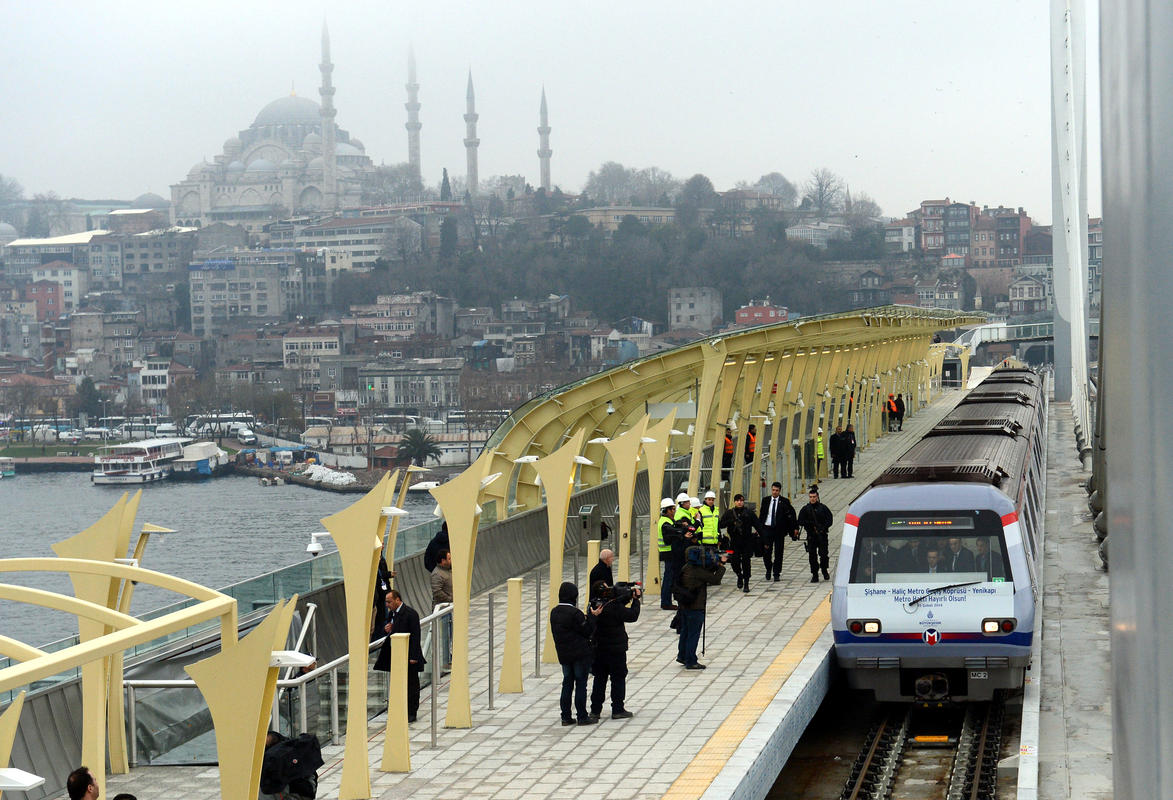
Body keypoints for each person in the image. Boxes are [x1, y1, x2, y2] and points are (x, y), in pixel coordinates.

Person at [550, 581, 603, 725]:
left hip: (564, 654)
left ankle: (565, 716)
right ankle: (582, 716)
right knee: (580, 683)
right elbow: (587, 631)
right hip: (580, 654)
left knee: (567, 683)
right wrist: (593, 616)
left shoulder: (554, 612)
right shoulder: (575, 613)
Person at [588, 579, 641, 720]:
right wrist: (636, 600)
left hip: (599, 649)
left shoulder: (593, 606)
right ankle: (617, 708)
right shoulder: (615, 607)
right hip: (616, 650)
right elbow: (632, 616)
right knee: (618, 678)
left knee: (599, 679)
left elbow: (615, 602)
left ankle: (595, 710)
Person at [373, 590, 425, 722]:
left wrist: (413, 656)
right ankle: (401, 710)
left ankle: (411, 712)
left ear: (398, 600)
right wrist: (388, 629)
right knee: (400, 685)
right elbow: (392, 631)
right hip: (397, 656)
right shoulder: (392, 614)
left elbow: (415, 636)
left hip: (408, 657)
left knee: (412, 685)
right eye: (386, 602)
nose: (387, 605)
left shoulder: (410, 614)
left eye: (389, 602)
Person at [677, 546, 727, 669]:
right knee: (693, 634)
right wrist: (721, 565)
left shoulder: (686, 568)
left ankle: (682, 655)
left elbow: (706, 572)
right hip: (696, 607)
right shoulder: (697, 571)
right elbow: (715, 579)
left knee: (685, 632)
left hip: (685, 606)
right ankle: (691, 660)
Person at [720, 493, 764, 592]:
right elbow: (721, 524)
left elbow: (758, 526)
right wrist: (731, 522)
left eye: (741, 501)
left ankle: (746, 582)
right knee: (734, 562)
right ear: (734, 502)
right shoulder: (729, 513)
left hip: (746, 542)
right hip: (734, 542)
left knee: (746, 562)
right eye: (738, 501)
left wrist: (764, 539)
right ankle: (739, 575)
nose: (740, 502)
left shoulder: (749, 513)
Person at [758, 482, 798, 582]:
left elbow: (791, 515)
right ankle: (768, 568)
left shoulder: (784, 501)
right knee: (766, 551)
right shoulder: (766, 500)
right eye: (773, 490)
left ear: (779, 491)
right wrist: (759, 529)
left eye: (776, 490)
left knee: (779, 552)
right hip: (767, 529)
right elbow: (762, 515)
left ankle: (776, 573)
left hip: (779, 530)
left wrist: (794, 528)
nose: (774, 492)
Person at [797, 485, 834, 583]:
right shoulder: (806, 509)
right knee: (812, 556)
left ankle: (824, 570)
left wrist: (822, 527)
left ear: (817, 497)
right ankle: (815, 574)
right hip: (811, 536)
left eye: (814, 497)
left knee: (824, 555)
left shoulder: (823, 508)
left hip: (822, 535)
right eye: (811, 497)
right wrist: (809, 525)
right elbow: (800, 521)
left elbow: (830, 520)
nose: (812, 499)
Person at [656, 498, 683, 610]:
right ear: (666, 511)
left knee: (670, 577)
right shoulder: (665, 523)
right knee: (668, 578)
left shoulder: (668, 521)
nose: (674, 511)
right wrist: (679, 534)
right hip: (668, 553)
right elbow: (668, 538)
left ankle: (668, 600)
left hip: (669, 553)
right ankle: (666, 602)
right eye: (672, 509)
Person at [431, 548, 454, 669]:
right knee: (445, 636)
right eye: (449, 558)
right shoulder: (437, 574)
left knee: (451, 635)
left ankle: (450, 657)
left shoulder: (448, 571)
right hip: (443, 609)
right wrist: (450, 599)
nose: (451, 561)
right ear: (442, 561)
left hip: (450, 608)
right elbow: (437, 592)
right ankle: (446, 661)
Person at [370, 555, 394, 642]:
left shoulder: (381, 559)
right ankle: (378, 641)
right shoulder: (375, 563)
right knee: (377, 623)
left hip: (380, 597)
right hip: (378, 600)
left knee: (383, 618)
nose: (382, 546)